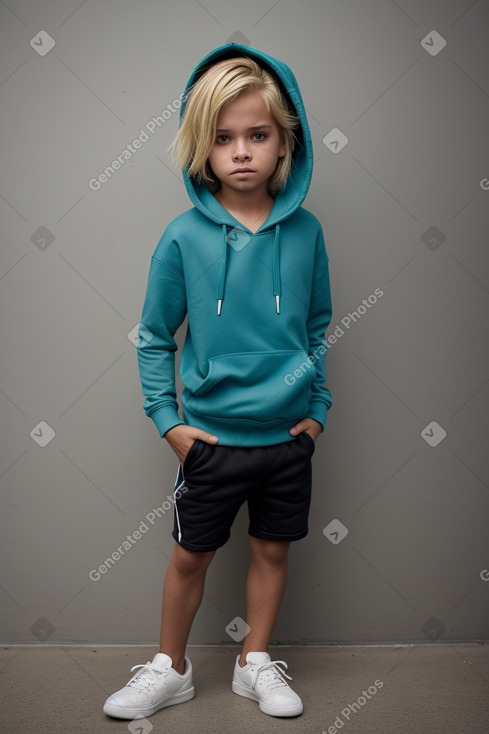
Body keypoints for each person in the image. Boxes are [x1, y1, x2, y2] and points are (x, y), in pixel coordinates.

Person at [103, 41, 332, 722]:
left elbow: (317, 328)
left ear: (283, 142)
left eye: (256, 135)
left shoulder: (308, 233)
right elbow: (152, 337)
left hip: (286, 439)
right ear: (201, 148)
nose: (239, 152)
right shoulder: (183, 238)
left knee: (271, 550)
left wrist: (316, 409)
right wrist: (169, 424)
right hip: (210, 442)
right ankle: (169, 668)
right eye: (222, 138)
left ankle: (253, 662)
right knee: (189, 560)